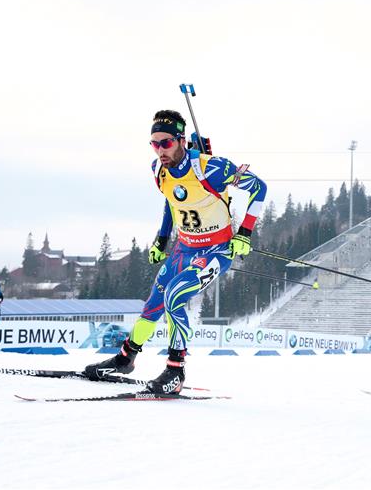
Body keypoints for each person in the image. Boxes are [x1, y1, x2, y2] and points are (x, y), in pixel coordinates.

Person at [85, 110, 267, 394]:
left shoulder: (211, 168)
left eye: (166, 142)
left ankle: (175, 371)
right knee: (153, 305)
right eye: (154, 143)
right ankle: (124, 360)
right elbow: (172, 202)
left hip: (217, 249)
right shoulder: (159, 171)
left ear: (182, 140)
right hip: (184, 248)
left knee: (175, 295)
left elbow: (259, 187)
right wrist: (161, 239)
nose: (160, 150)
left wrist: (244, 233)